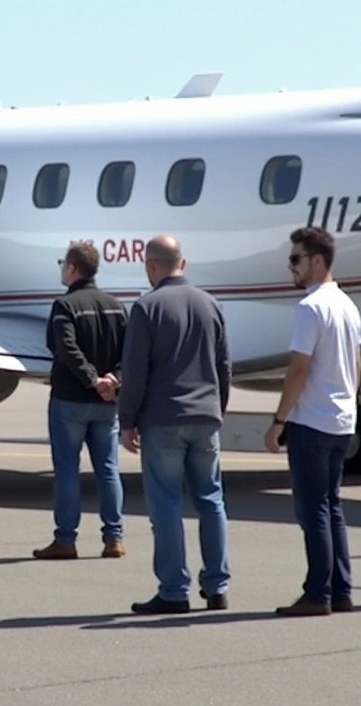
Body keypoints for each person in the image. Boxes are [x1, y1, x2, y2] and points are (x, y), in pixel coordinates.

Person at [118, 235, 232, 614]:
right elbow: (223, 367)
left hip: (164, 420)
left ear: (151, 266)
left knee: (166, 505)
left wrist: (128, 421)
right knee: (211, 500)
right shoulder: (211, 304)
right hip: (206, 417)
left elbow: (135, 373)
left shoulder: (146, 307)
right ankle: (217, 586)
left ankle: (173, 589)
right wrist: (218, 409)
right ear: (183, 263)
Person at [264, 226, 361, 616]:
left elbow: (299, 369)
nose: (292, 268)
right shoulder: (347, 305)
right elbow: (355, 363)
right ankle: (341, 589)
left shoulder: (310, 307)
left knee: (313, 510)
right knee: (332, 506)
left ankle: (317, 592)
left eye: (295, 259)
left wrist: (278, 420)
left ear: (317, 260)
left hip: (312, 421)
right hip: (341, 419)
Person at [33, 241, 129, 560]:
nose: (62, 267)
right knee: (108, 469)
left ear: (73, 268)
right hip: (108, 403)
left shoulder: (65, 305)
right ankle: (114, 538)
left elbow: (64, 348)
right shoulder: (117, 306)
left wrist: (91, 379)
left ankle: (66, 539)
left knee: (67, 470)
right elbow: (131, 352)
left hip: (70, 401)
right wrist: (113, 379)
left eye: (63, 262)